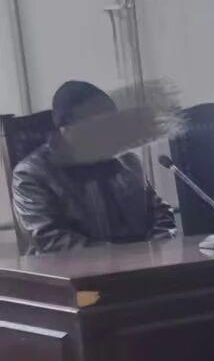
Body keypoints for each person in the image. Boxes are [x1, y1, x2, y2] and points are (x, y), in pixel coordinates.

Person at [10, 80, 176, 253]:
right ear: (65, 129)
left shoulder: (128, 162)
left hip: (140, 264)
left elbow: (161, 213)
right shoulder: (31, 173)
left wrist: (155, 246)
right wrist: (121, 257)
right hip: (76, 268)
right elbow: (49, 238)